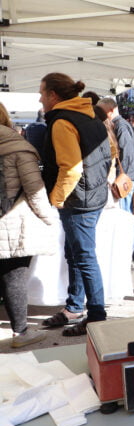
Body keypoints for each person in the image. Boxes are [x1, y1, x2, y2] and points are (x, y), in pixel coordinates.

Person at [39, 73, 112, 336]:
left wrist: (56, 198)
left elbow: (70, 168)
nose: (40, 98)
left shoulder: (62, 121)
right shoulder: (91, 114)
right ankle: (74, 306)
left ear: (53, 96)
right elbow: (110, 153)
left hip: (78, 201)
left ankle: (96, 316)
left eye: (42, 93)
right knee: (77, 256)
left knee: (84, 257)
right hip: (91, 197)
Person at [0, 116, 59, 347]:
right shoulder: (19, 148)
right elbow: (35, 190)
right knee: (14, 275)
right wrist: (48, 218)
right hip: (13, 222)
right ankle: (20, 332)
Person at [97, 98, 134, 212]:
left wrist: (120, 176)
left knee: (124, 211)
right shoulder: (119, 124)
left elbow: (126, 153)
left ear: (111, 110)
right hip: (126, 174)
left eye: (101, 111)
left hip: (125, 176)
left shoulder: (120, 126)